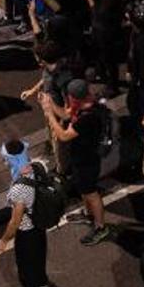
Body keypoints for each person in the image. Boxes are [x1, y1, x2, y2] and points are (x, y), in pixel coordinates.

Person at [41, 78, 111, 246]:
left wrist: (49, 114)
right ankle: (88, 215)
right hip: (80, 158)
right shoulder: (83, 105)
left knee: (91, 193)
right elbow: (66, 114)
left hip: (88, 160)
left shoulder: (88, 117)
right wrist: (50, 104)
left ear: (74, 98)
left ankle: (101, 227)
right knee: (83, 189)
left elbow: (63, 135)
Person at [0, 161, 48, 287]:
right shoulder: (40, 169)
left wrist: (4, 240)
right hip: (40, 225)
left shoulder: (20, 189)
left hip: (27, 232)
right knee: (39, 256)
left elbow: (15, 220)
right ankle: (42, 281)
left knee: (26, 266)